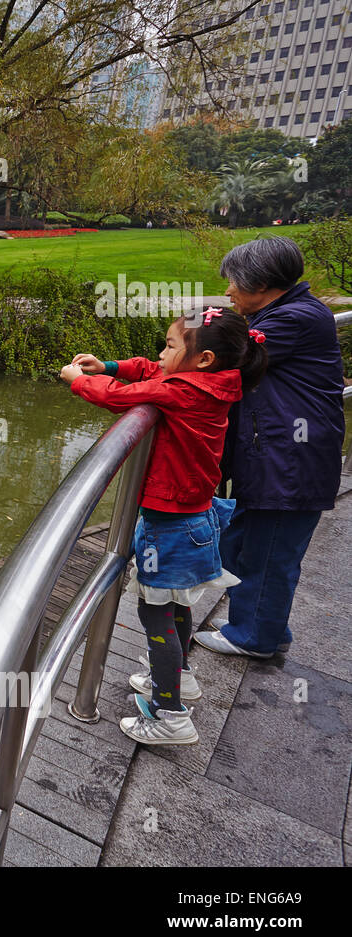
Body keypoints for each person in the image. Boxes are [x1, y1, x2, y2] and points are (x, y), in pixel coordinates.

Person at [60, 307, 268, 744]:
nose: (161, 352)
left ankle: (169, 714)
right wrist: (110, 365)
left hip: (170, 524)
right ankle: (183, 676)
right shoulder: (208, 382)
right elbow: (152, 370)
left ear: (204, 358)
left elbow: (118, 396)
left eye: (171, 344)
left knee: (154, 613)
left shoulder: (185, 391)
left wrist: (79, 379)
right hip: (192, 516)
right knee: (176, 605)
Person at [196, 236, 346, 659]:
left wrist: (141, 372)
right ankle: (266, 628)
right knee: (250, 543)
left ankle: (254, 638)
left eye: (233, 283)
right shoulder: (290, 311)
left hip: (289, 462)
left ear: (260, 284)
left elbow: (215, 359)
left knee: (269, 550)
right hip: (278, 456)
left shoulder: (289, 320)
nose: (227, 292)